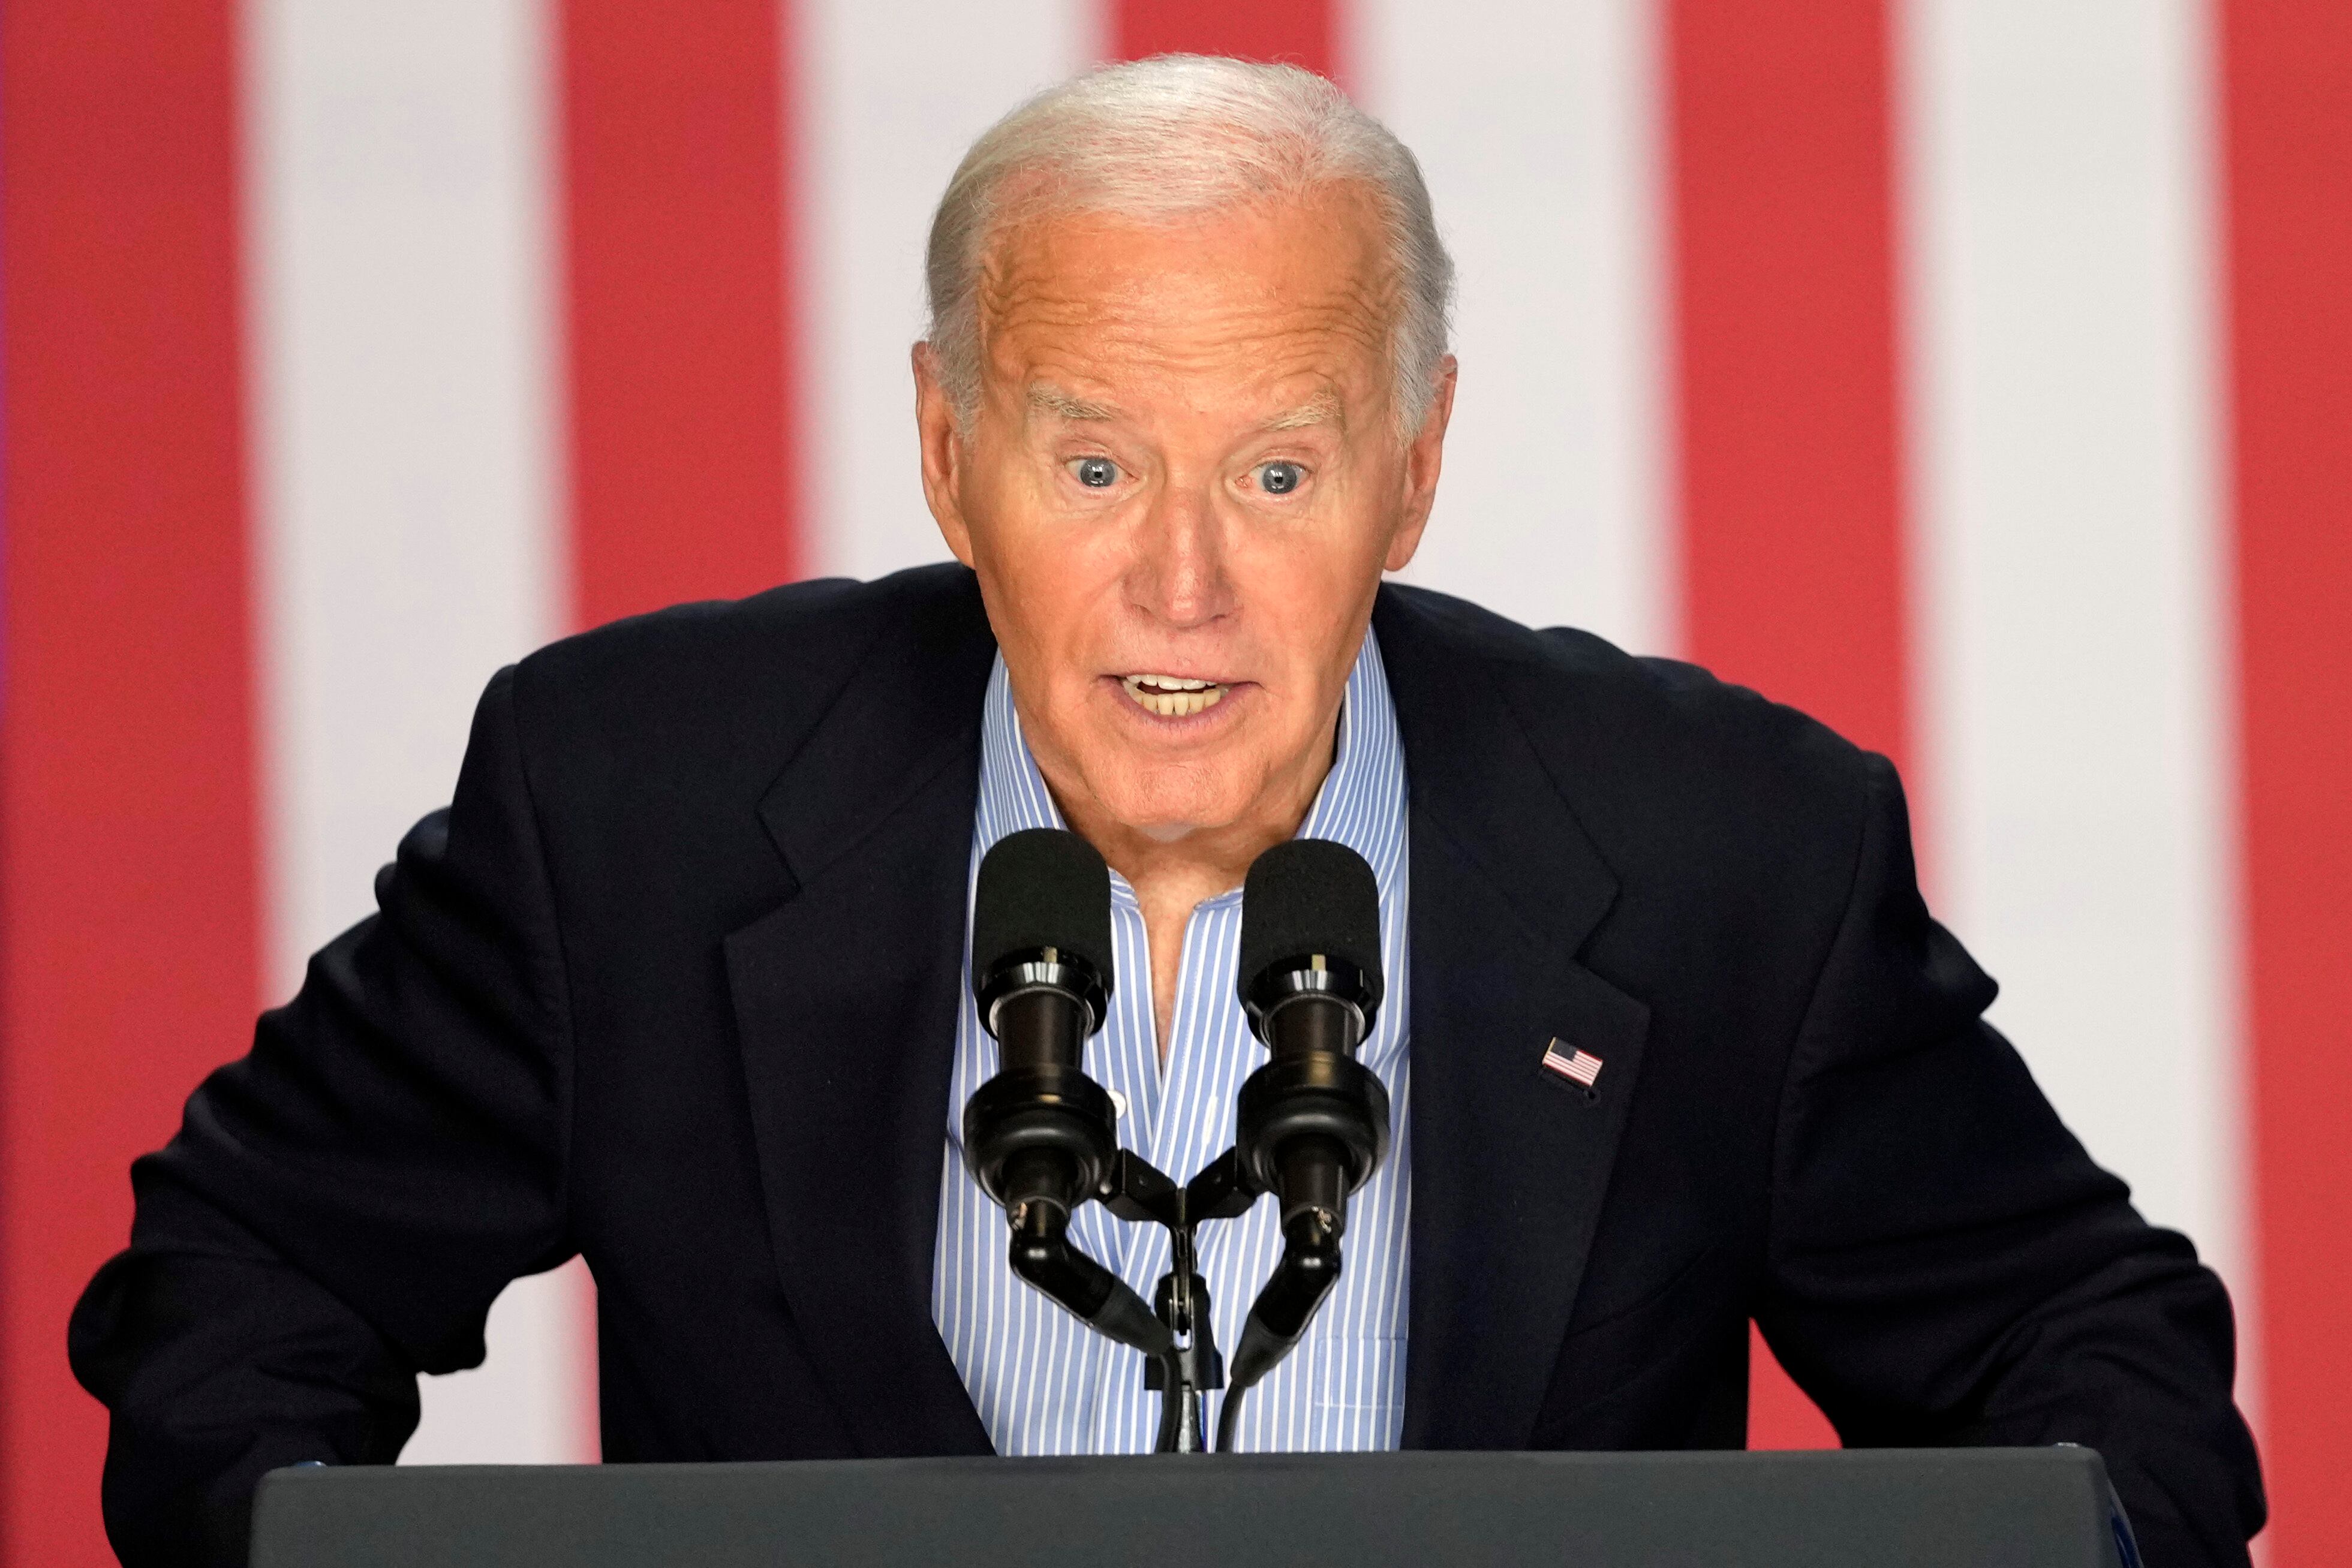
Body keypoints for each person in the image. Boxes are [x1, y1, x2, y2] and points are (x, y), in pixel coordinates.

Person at [70, 55, 2261, 1567]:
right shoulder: (629, 801)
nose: (1181, 584)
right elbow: (246, 1274)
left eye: (1280, 471)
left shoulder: (1718, 854)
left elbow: (2096, 1371)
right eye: (1095, 463)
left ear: (1415, 465)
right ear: (948, 455)